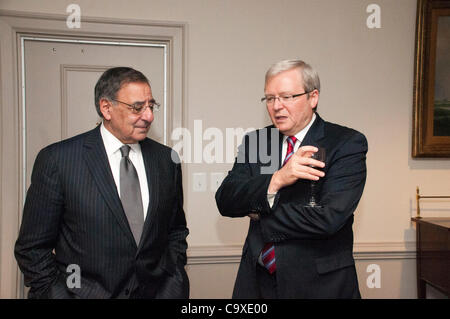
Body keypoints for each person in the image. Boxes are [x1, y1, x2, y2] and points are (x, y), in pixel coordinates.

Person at [15, 67, 189, 299]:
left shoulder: (167, 161)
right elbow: (32, 249)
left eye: (151, 105)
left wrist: (173, 287)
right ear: (106, 108)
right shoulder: (58, 160)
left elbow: (175, 231)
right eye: (137, 107)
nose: (149, 116)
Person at [215, 59, 367, 298]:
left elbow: (328, 218)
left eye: (287, 97)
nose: (277, 106)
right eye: (270, 98)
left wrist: (259, 209)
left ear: (313, 97)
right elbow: (225, 199)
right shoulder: (255, 141)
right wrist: (275, 180)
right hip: (257, 282)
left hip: (320, 286)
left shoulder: (346, 143)